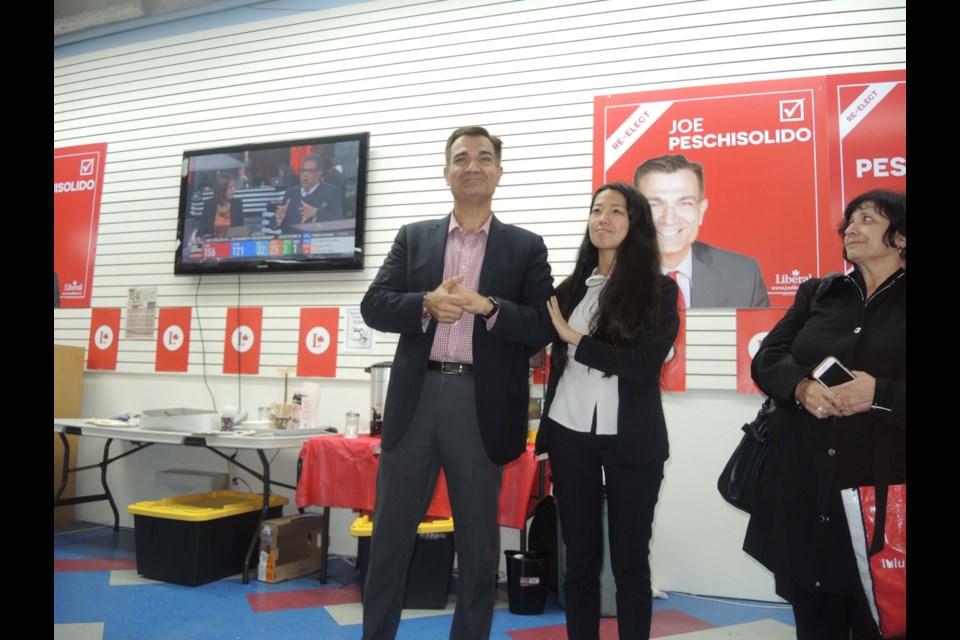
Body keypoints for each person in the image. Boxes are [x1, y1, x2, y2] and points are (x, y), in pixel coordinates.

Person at [359, 126, 554, 640]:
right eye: (461, 158)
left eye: (484, 158)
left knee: (477, 547)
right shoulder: (413, 236)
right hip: (415, 401)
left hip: (480, 406)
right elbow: (374, 305)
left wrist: (488, 308)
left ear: (498, 173)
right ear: (446, 172)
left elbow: (540, 325)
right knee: (389, 541)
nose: (473, 166)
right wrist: (423, 304)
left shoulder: (526, 247)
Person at [743, 190, 906, 640]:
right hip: (809, 485)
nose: (852, 228)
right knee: (815, 622)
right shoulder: (819, 292)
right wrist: (802, 388)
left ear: (902, 237)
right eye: (849, 221)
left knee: (883, 616)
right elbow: (768, 358)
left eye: (868, 220)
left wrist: (881, 393)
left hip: (884, 499)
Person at [535, 183, 680, 640]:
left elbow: (640, 366)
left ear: (635, 223)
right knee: (578, 563)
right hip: (569, 432)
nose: (603, 218)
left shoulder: (659, 290)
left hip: (632, 439)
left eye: (616, 211)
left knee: (631, 563)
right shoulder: (571, 287)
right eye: (597, 210)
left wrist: (575, 339)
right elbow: (534, 335)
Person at [634, 154, 769, 308]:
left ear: (701, 212)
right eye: (654, 205)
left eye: (684, 203)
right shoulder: (608, 277)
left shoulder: (744, 276)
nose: (669, 219)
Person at [271, 154, 342, 233]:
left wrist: (316, 213)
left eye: (310, 171)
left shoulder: (332, 192)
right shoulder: (290, 193)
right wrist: (279, 218)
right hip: (292, 243)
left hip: (317, 243)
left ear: (319, 173)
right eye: (303, 170)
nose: (305, 174)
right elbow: (273, 225)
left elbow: (338, 223)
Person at [197, 173, 244, 237]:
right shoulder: (209, 204)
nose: (234, 190)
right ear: (221, 189)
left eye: (234, 187)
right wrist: (198, 238)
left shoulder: (237, 204)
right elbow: (201, 230)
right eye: (230, 187)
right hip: (213, 243)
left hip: (231, 243)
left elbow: (241, 230)